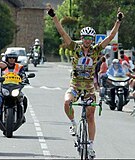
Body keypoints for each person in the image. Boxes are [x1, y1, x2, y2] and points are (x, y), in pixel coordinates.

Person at [47, 4, 124, 156]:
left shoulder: (96, 50)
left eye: (90, 38)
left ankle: (90, 145)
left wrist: (118, 21)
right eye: (85, 38)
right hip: (75, 85)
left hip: (89, 87)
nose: (88, 41)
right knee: (67, 102)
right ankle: (73, 123)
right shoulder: (74, 47)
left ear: (92, 40)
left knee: (90, 115)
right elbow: (62, 32)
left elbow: (109, 38)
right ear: (82, 39)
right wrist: (54, 17)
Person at [3, 51, 29, 119]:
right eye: (10, 58)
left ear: (16, 59)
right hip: (5, 87)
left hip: (16, 87)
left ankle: (22, 115)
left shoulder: (19, 67)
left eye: (13, 58)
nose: (12, 59)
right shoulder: (2, 66)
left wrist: (25, 79)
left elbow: (23, 74)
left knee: (24, 99)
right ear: (7, 59)